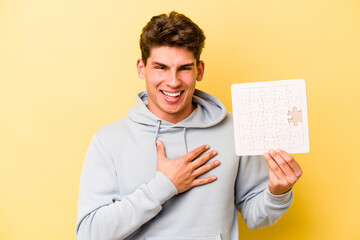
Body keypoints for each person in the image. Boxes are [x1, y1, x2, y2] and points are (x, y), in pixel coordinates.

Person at [75, 11, 302, 240]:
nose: (173, 81)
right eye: (161, 67)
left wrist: (277, 193)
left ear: (199, 70)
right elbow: (90, 234)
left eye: (184, 68)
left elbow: (255, 217)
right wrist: (164, 185)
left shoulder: (235, 129)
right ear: (141, 68)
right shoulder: (109, 141)